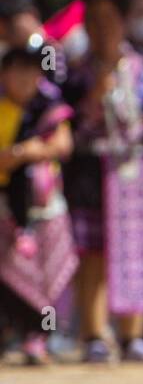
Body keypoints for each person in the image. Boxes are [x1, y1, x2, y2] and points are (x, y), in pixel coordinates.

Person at [61, 0, 143, 364]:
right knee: (92, 252)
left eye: (109, 18)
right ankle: (93, 334)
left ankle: (132, 336)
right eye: (93, 20)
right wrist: (92, 95)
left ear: (123, 22)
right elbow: (64, 123)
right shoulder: (73, 72)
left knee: (137, 251)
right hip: (91, 170)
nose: (102, 28)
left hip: (135, 174)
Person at [0, 47, 76, 365]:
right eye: (17, 70)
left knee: (48, 278)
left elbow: (63, 146)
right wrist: (20, 152)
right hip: (9, 211)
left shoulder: (49, 110)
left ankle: (42, 339)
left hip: (46, 207)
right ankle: (10, 338)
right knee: (12, 276)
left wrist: (32, 150)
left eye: (31, 71)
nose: (24, 78)